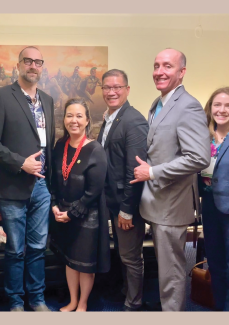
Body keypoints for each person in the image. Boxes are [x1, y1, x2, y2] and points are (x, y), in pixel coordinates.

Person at [130, 48, 210, 311]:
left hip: (172, 204)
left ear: (181, 72)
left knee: (172, 273)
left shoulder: (189, 105)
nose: (159, 72)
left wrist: (152, 172)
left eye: (167, 66)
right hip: (156, 202)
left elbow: (198, 158)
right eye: (156, 66)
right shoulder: (158, 102)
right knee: (164, 270)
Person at [0, 46, 55, 312]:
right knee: (15, 249)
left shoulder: (47, 99)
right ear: (18, 65)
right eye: (28, 61)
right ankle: (15, 303)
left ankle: (37, 299)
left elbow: (47, 144)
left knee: (37, 247)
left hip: (42, 186)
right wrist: (19, 162)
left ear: (41, 66)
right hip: (12, 186)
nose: (33, 66)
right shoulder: (1, 97)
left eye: (38, 62)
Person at [50, 98, 110, 312]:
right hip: (63, 214)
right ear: (63, 119)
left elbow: (93, 192)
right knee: (69, 260)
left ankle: (83, 304)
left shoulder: (95, 150)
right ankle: (73, 300)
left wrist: (72, 213)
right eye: (69, 115)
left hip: (87, 216)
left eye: (78, 116)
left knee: (84, 264)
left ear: (87, 121)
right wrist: (55, 205)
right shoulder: (59, 145)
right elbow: (54, 182)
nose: (73, 120)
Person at [97, 69, 148, 311]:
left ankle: (134, 303)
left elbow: (134, 171)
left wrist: (127, 210)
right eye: (107, 87)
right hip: (112, 200)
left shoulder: (133, 120)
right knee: (122, 253)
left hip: (127, 203)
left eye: (117, 87)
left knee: (131, 256)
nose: (112, 91)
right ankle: (126, 292)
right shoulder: (109, 117)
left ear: (127, 90)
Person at [200, 87, 229, 311]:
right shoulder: (204, 137)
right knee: (216, 263)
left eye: (227, 105)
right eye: (217, 105)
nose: (222, 110)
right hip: (209, 206)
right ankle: (221, 308)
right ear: (210, 108)